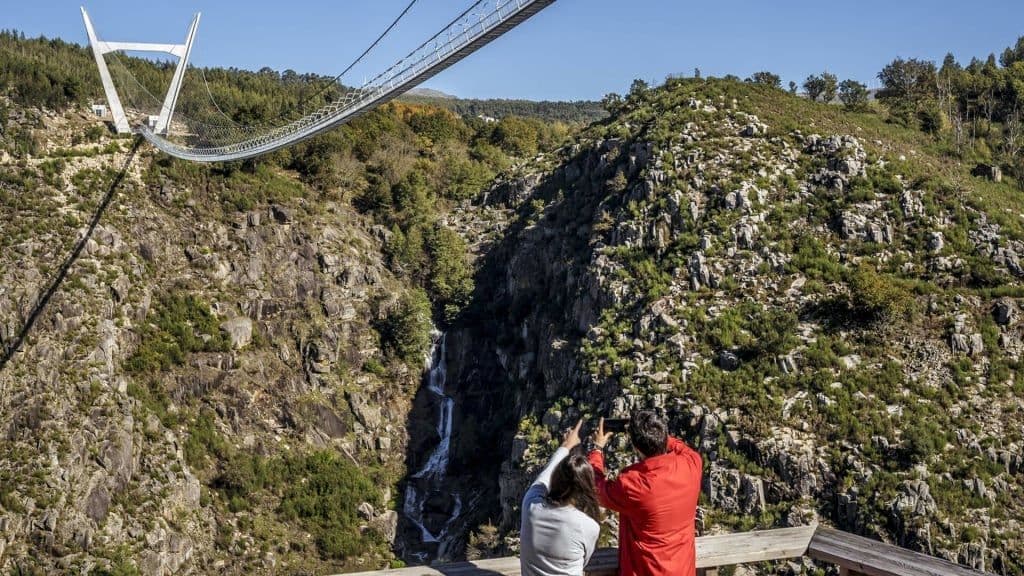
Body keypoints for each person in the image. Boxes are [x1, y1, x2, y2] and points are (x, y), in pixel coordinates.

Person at [588, 410, 703, 576]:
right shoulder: (692, 463)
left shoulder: (634, 485)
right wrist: (652, 431)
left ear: (635, 447)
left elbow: (595, 487)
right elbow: (678, 446)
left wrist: (597, 449)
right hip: (682, 569)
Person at [520, 420, 602, 576]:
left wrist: (566, 446)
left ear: (556, 478)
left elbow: (545, 474)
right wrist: (598, 448)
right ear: (585, 488)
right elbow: (584, 560)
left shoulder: (531, 505)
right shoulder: (588, 526)